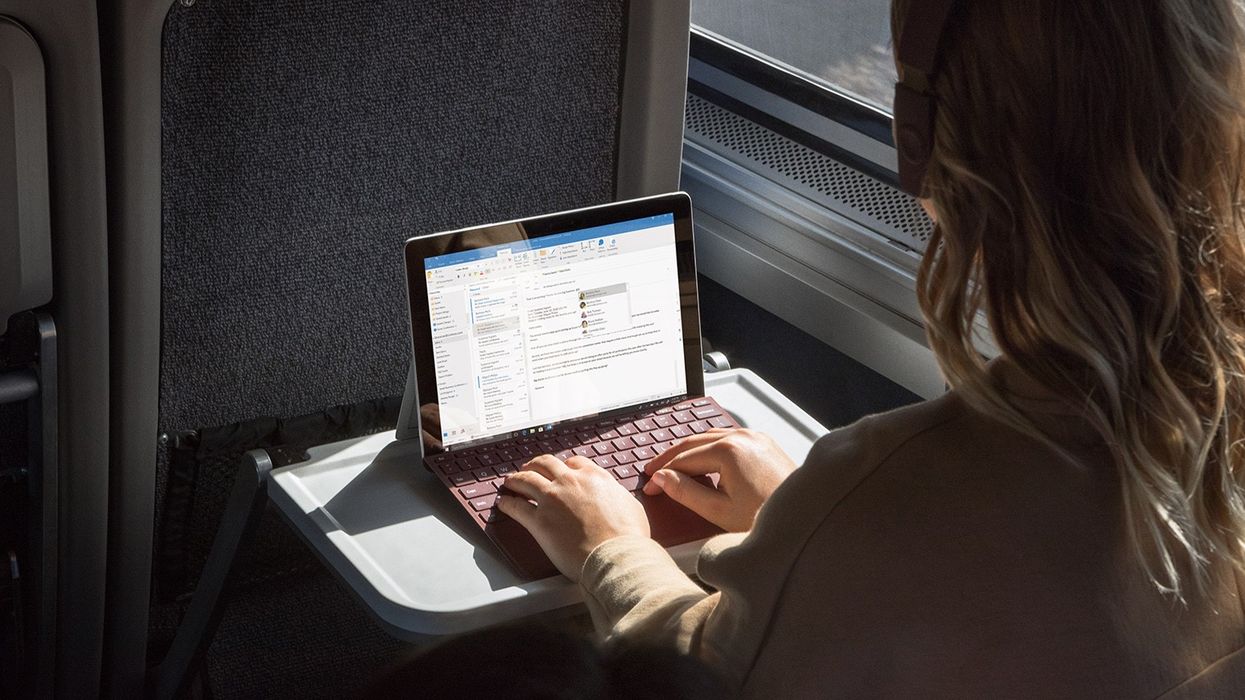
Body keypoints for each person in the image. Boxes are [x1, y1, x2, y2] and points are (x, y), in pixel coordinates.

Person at [497, 1, 1245, 696]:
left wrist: (610, 549)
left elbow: (701, 677)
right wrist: (799, 529)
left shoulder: (888, 497)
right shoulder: (1213, 430)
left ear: (923, 141)